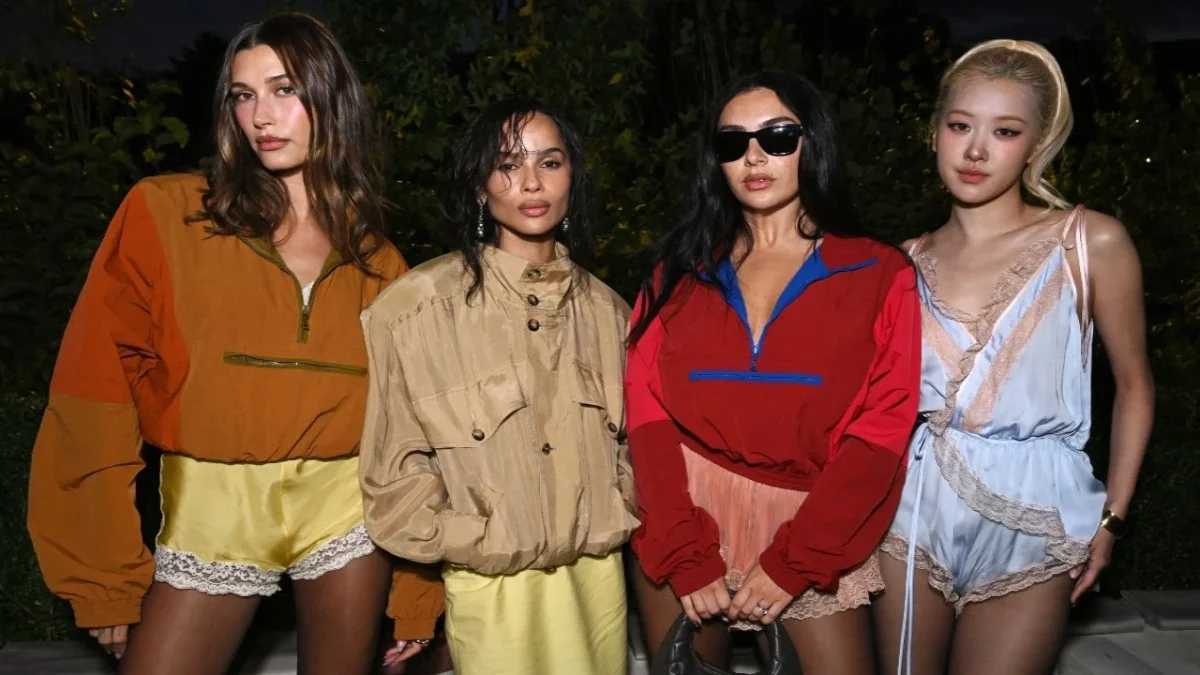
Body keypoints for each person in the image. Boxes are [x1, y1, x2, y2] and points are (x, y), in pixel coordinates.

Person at [26, 13, 423, 674]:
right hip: (215, 509)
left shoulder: (381, 262)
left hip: (348, 511)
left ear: (332, 99)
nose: (261, 115)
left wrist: (417, 592)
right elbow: (94, 390)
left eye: (284, 89)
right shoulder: (168, 214)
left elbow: (409, 434)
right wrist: (102, 576)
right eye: (243, 95)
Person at [624, 69, 921, 674]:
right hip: (684, 513)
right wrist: (683, 550)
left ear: (814, 143)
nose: (754, 156)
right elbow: (646, 417)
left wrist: (794, 562)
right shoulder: (677, 273)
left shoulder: (878, 273)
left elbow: (882, 433)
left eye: (778, 137)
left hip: (811, 520)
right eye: (733, 142)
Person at [873, 39, 1155, 675]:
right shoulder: (902, 261)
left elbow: (1135, 385)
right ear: (935, 133)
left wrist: (1111, 520)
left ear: (1035, 144)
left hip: (1038, 515)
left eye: (1004, 131)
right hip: (913, 510)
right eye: (960, 126)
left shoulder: (1090, 241)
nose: (976, 151)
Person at [359, 97, 639, 675]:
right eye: (508, 165)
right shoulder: (414, 310)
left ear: (572, 179)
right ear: (480, 186)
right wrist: (474, 537)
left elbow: (637, 448)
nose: (532, 182)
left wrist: (618, 506)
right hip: (487, 587)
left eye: (550, 162)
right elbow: (394, 472)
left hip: (597, 582)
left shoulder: (611, 315)